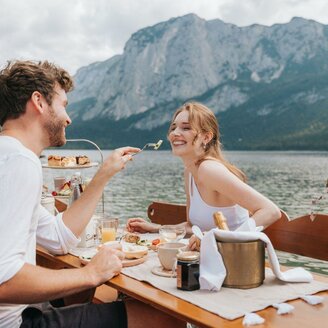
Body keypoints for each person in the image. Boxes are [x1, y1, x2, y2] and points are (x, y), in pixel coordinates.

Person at [0, 60, 185, 328]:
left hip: (24, 312)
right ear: (38, 102)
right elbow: (5, 280)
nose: (68, 118)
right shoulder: (19, 162)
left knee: (85, 297)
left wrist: (103, 176)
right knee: (163, 316)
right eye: (63, 104)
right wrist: (91, 273)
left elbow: (58, 238)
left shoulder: (9, 156)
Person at [127, 102, 281, 248]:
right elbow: (192, 227)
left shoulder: (209, 169)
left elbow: (271, 211)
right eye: (173, 128)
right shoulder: (189, 172)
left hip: (234, 262)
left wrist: (221, 239)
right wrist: (156, 228)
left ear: (206, 137)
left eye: (186, 128)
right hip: (209, 259)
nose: (175, 133)